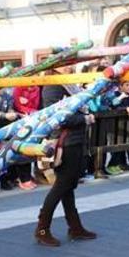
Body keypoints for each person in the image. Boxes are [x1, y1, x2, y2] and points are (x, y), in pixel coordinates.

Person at [34, 84, 96, 247]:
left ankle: (74, 226)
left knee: (68, 187)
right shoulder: (53, 86)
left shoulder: (69, 85)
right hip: (65, 142)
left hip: (74, 140)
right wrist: (85, 119)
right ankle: (42, 229)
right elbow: (58, 117)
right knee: (61, 186)